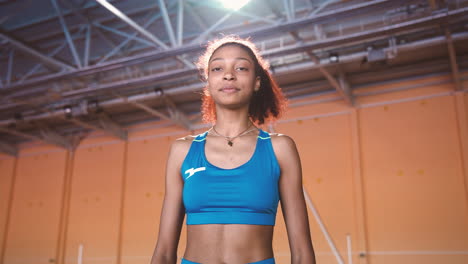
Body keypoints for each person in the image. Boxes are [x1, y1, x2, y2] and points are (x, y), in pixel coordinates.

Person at [150, 35, 316, 264]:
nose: (229, 75)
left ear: (257, 82)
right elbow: (164, 251)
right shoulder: (182, 151)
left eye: (241, 67)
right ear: (208, 82)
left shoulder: (280, 148)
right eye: (218, 68)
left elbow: (302, 251)